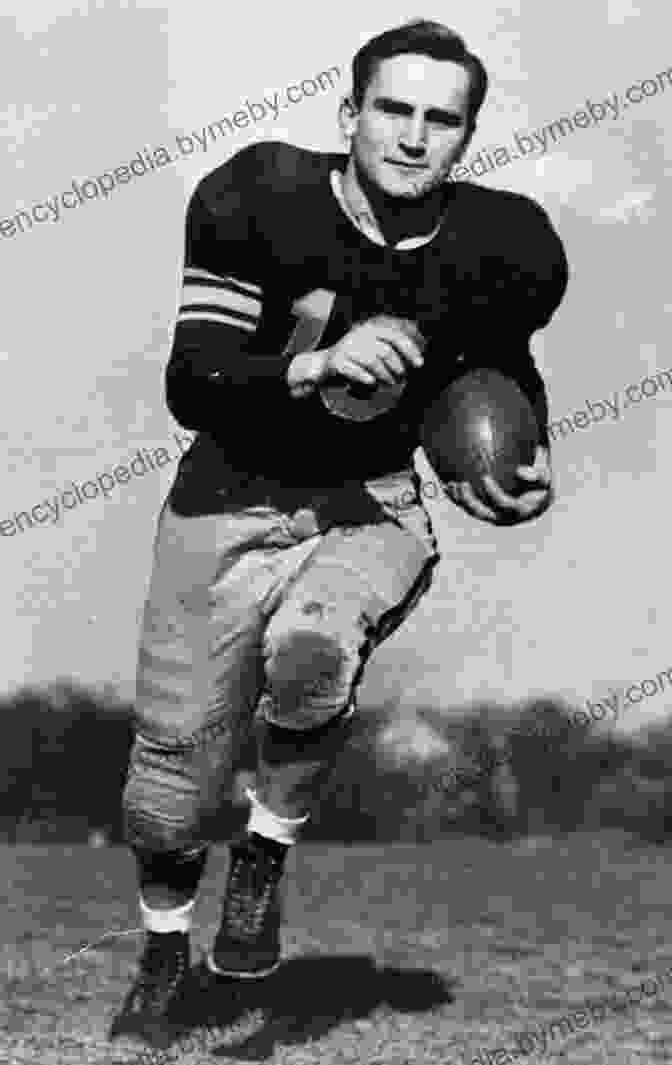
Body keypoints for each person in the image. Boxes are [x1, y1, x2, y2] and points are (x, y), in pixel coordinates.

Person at [112, 17, 568, 1042]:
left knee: (314, 650)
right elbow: (194, 381)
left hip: (367, 502)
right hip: (224, 499)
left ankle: (266, 852)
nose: (413, 137)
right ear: (349, 114)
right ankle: (160, 947)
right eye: (393, 110)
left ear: (467, 135)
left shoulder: (506, 243)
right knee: (169, 798)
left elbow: (500, 372)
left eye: (440, 120)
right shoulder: (258, 197)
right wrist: (311, 366)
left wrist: (521, 463)